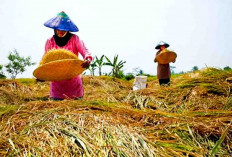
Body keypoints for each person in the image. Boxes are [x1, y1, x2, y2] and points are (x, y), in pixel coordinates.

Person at [43, 11, 92, 100]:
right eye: (58, 28)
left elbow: (85, 51)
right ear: (54, 28)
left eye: (63, 29)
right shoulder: (50, 41)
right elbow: (46, 60)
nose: (60, 31)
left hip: (74, 86)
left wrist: (87, 60)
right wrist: (42, 74)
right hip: (56, 87)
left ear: (67, 29)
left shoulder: (75, 39)